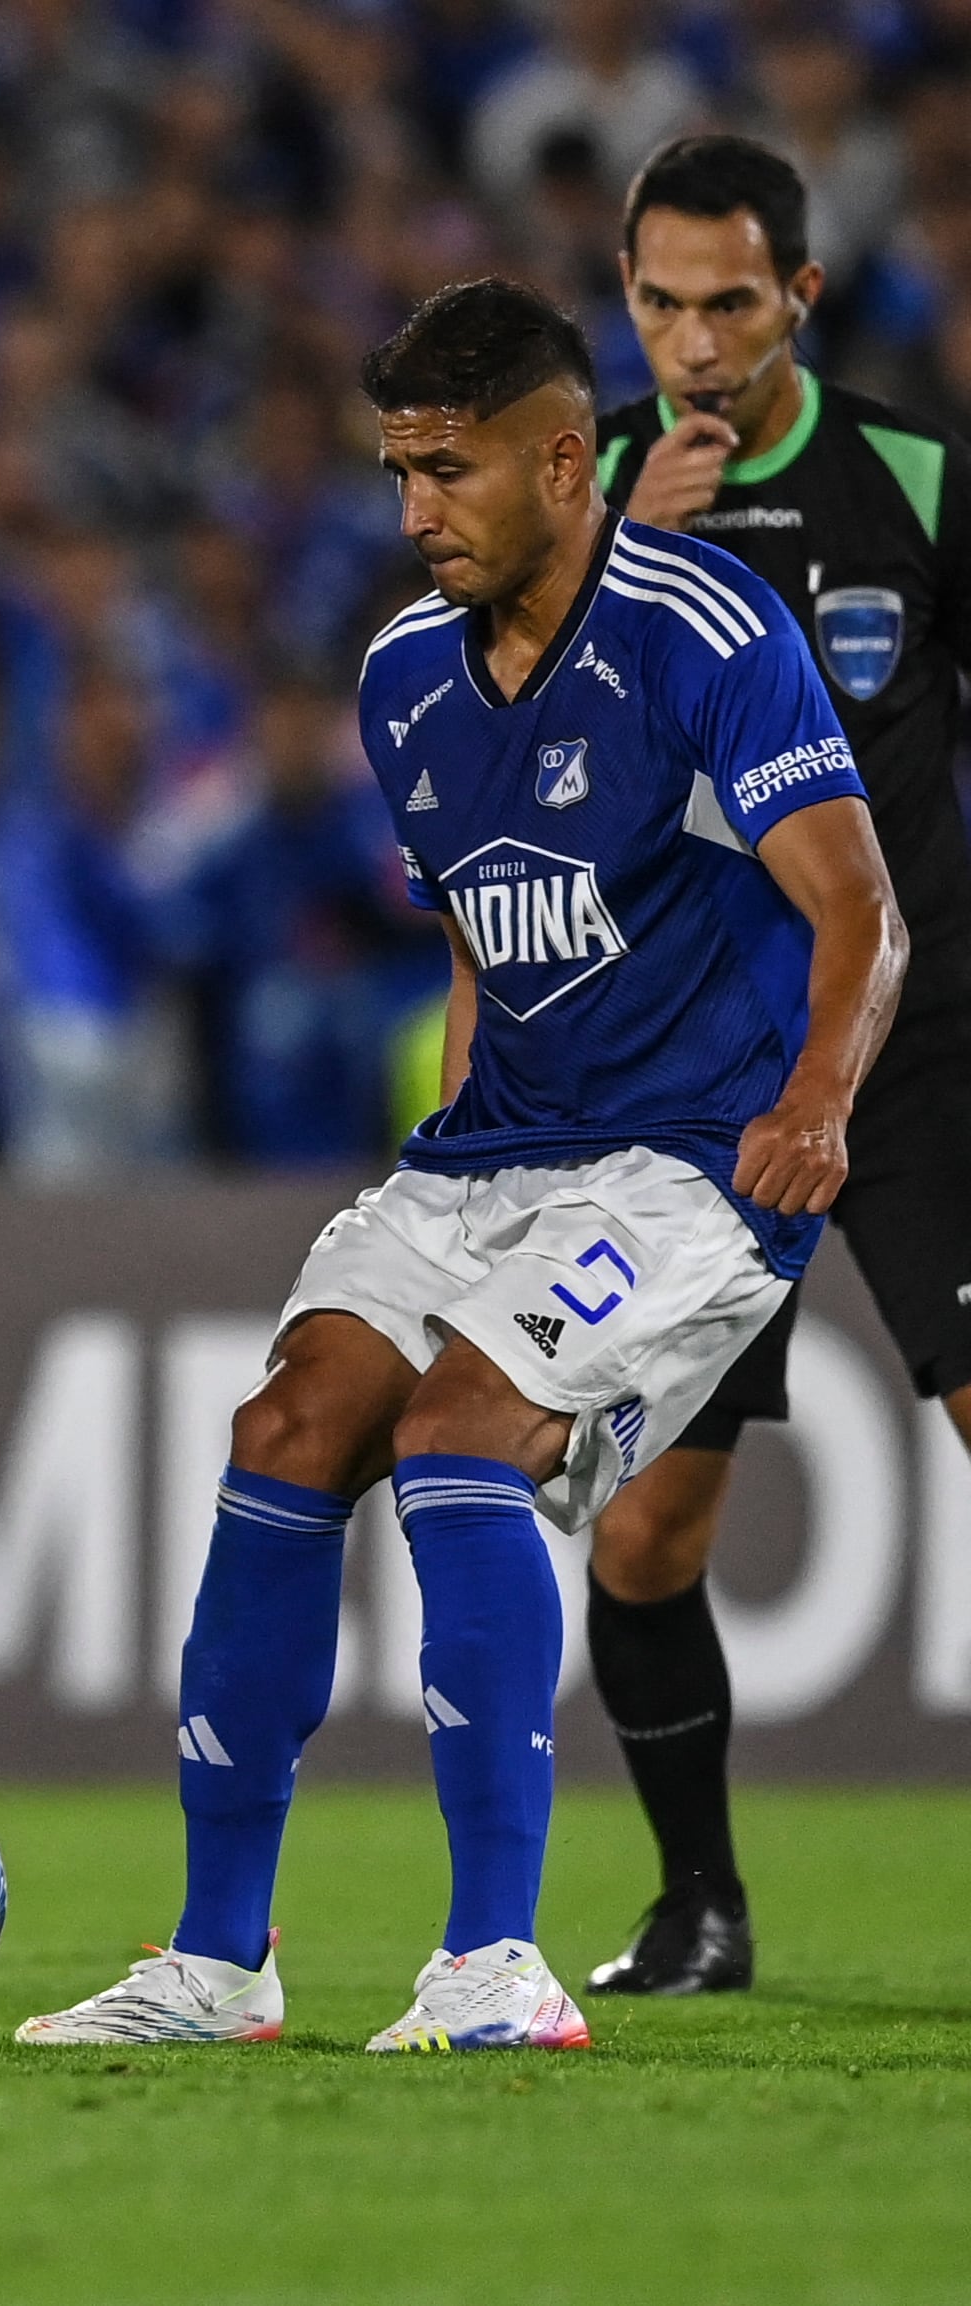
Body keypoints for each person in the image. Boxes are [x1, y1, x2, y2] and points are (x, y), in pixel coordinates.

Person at [16, 278, 901, 2054]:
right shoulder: (404, 677)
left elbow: (861, 908)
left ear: (566, 462)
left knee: (461, 1430)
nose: (416, 509)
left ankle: (495, 1961)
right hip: (491, 1154)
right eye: (400, 471)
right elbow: (479, 942)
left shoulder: (703, 631)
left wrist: (817, 1103)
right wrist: (446, 1168)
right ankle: (218, 1962)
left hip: (690, 1163)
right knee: (286, 1426)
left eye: (450, 469)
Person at [577, 134, 971, 1998]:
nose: (696, 342)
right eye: (661, 304)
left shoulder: (914, 478)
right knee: (650, 1527)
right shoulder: (585, 492)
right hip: (705, 1076)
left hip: (913, 1041)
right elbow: (529, 761)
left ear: (800, 295)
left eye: (731, 303)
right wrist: (630, 561)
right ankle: (699, 1905)